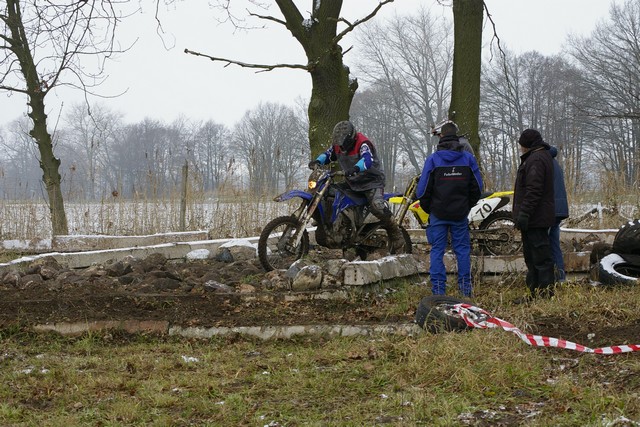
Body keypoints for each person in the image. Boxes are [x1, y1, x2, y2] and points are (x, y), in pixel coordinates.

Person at [308, 120, 406, 252]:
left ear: (351, 138)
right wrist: (317, 161)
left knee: (377, 206)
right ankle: (329, 222)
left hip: (372, 181)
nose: (342, 147)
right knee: (329, 193)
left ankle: (395, 232)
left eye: (344, 144)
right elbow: (328, 154)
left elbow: (367, 160)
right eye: (340, 144)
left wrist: (354, 168)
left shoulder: (363, 143)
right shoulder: (338, 145)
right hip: (352, 182)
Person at [416, 122, 483, 298]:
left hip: (438, 213)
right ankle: (465, 291)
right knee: (462, 250)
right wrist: (466, 205)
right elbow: (478, 188)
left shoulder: (433, 160)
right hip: (459, 213)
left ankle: (438, 291)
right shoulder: (468, 159)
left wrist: (429, 208)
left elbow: (421, 190)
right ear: (457, 137)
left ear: (441, 137)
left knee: (437, 250)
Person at [512, 129, 555, 303]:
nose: (520, 148)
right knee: (533, 257)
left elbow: (534, 190)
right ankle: (535, 293)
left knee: (540, 259)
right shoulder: (539, 157)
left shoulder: (536, 160)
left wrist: (524, 213)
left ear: (528, 145)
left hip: (535, 219)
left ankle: (543, 295)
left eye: (522, 145)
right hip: (536, 218)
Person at [549, 146, 569, 282]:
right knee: (554, 245)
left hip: (549, 210)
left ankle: (548, 279)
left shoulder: (544, 163)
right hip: (559, 209)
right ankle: (560, 278)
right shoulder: (555, 163)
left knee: (545, 246)